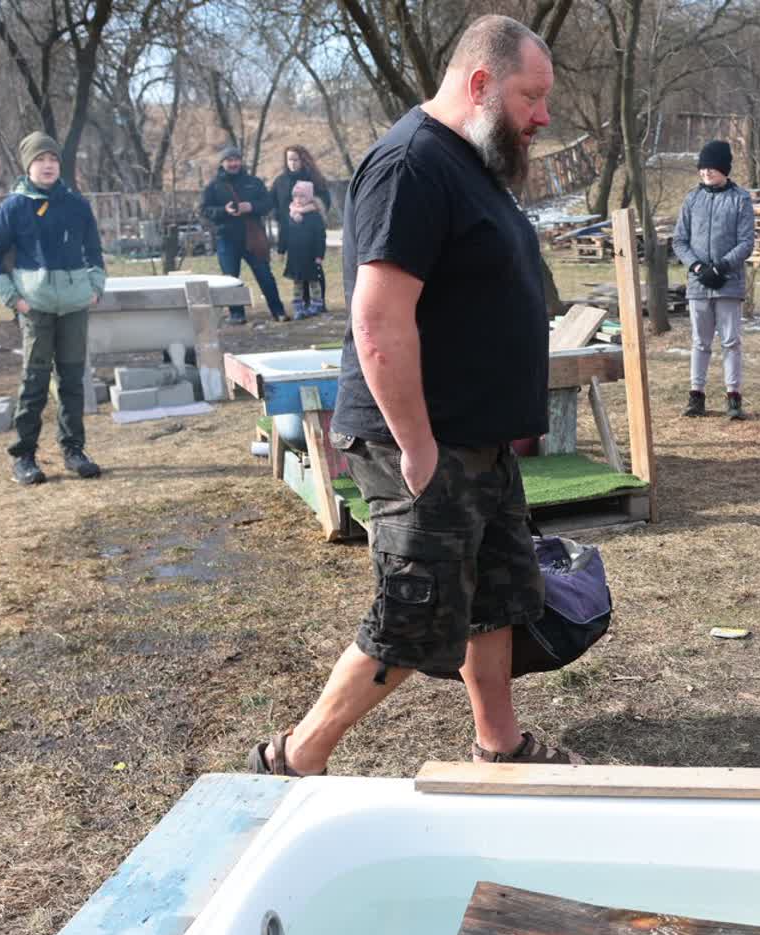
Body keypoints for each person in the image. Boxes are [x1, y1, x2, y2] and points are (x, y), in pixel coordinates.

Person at [247, 14, 584, 776]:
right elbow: (378, 320)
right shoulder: (410, 166)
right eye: (531, 97)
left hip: (475, 438)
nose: (542, 116)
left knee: (494, 597)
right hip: (421, 440)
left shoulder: (468, 164)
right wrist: (417, 444)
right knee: (413, 613)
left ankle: (499, 744)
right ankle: (296, 757)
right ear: (480, 83)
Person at [0, 131, 105, 486]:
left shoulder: (77, 205)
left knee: (72, 381)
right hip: (35, 308)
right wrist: (13, 299)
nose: (47, 165)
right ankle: (24, 456)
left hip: (75, 306)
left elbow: (94, 252)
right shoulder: (14, 207)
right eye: (39, 159)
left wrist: (95, 289)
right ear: (28, 165)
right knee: (34, 381)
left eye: (52, 159)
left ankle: (74, 450)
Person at [671, 139, 755, 420]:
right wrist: (697, 267)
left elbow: (746, 242)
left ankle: (733, 396)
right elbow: (680, 240)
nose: (706, 172)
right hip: (698, 284)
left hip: (728, 282)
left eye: (712, 167)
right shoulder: (692, 199)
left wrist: (721, 267)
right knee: (700, 341)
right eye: (703, 167)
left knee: (730, 341)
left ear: (724, 169)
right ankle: (696, 395)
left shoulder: (740, 199)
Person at [201, 145, 288, 323]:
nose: (233, 163)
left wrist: (251, 207)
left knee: (265, 276)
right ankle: (237, 315)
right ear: (222, 163)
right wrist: (224, 211)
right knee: (230, 279)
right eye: (229, 160)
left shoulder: (254, 182)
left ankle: (278, 311)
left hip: (252, 237)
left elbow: (268, 204)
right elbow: (204, 211)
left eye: (236, 160)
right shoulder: (213, 186)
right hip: (226, 238)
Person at [272, 145, 332, 313]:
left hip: (311, 229)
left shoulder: (314, 179)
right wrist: (281, 216)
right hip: (291, 230)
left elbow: (325, 201)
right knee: (298, 272)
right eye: (289, 159)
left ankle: (318, 302)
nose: (292, 163)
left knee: (314, 271)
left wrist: (310, 209)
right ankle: (303, 303)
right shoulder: (280, 181)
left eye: (296, 159)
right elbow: (273, 202)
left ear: (303, 160)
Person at [282, 180, 328, 319]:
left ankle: (316, 305)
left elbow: (320, 237)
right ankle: (299, 307)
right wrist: (281, 249)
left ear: (309, 197)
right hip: (295, 256)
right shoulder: (290, 214)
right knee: (298, 283)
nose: (298, 199)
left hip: (310, 256)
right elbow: (285, 233)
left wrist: (319, 255)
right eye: (295, 196)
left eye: (302, 196)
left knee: (314, 281)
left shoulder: (314, 216)